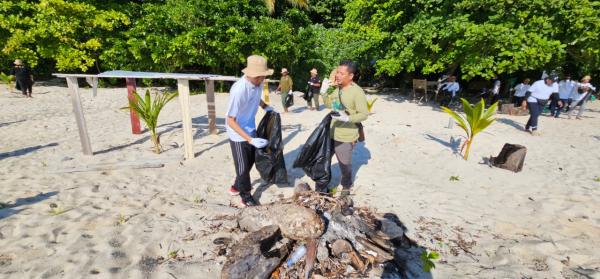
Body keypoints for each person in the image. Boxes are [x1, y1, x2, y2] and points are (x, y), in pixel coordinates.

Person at [226, 55, 275, 207]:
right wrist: (249, 139)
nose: (263, 79)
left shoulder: (258, 83)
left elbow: (255, 98)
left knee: (250, 162)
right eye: (261, 76)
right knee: (242, 167)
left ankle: (235, 187)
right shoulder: (239, 90)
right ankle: (245, 195)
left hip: (250, 127)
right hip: (237, 133)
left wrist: (265, 106)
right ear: (253, 75)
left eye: (263, 76)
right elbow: (230, 120)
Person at [316, 60, 368, 197]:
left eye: (341, 73)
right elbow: (330, 105)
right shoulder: (338, 89)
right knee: (323, 160)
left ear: (350, 76)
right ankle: (321, 187)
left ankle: (346, 186)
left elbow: (364, 114)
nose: (337, 75)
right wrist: (324, 92)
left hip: (346, 135)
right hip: (332, 132)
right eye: (337, 72)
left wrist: (347, 118)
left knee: (344, 165)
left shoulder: (357, 92)